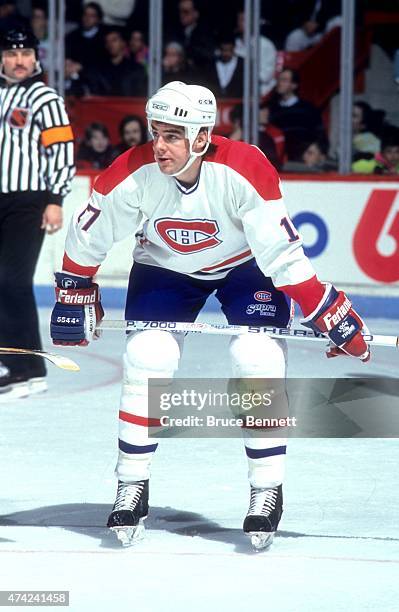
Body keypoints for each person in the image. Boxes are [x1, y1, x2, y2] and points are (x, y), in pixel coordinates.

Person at [50, 81, 370, 549]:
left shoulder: (244, 168)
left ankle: (266, 487)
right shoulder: (131, 173)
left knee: (257, 358)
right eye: (156, 131)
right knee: (147, 355)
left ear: (202, 137)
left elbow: (282, 256)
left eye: (173, 135)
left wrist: (330, 312)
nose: (159, 145)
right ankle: (131, 482)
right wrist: (73, 292)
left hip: (246, 269)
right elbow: (86, 237)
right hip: (164, 267)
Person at [0, 28, 75, 400]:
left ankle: (30, 369)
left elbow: (61, 150)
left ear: (36, 57)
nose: (19, 61)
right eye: (12, 54)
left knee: (12, 281)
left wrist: (55, 197)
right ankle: (10, 362)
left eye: (25, 53)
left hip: (27, 200)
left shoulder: (44, 98)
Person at [269, 67, 328, 160]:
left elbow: (319, 134)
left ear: (294, 85)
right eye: (279, 79)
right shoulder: (272, 108)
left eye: (284, 80)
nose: (279, 83)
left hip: (305, 158)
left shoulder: (308, 108)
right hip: (279, 159)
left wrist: (317, 150)